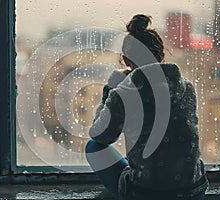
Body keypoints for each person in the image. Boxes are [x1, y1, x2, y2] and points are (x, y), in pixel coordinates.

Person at [85, 14, 208, 200]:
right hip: (193, 191)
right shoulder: (187, 88)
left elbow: (100, 135)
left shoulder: (123, 94)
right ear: (161, 55)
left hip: (146, 194)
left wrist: (110, 90)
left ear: (126, 61)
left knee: (92, 147)